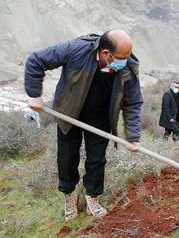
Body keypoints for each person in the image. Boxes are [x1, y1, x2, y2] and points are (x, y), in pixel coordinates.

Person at [24, 29, 143, 222]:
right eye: (121, 57)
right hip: (69, 113)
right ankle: (69, 197)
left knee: (97, 160)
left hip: (100, 117)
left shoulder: (128, 67)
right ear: (106, 53)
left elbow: (133, 103)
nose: (125, 61)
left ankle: (92, 198)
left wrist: (133, 136)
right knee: (67, 158)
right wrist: (34, 94)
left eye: (127, 56)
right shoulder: (76, 50)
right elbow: (36, 60)